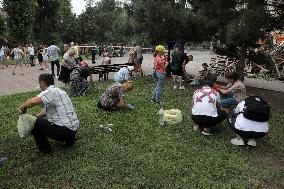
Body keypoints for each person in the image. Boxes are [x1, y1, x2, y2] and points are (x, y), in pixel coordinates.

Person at [18, 73, 79, 154]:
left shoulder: (50, 91)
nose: (39, 86)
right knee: (37, 121)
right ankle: (69, 140)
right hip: (72, 129)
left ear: (42, 83)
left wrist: (22, 107)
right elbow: (45, 111)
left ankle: (45, 149)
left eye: (39, 83)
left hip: (64, 131)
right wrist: (37, 118)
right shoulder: (59, 91)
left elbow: (32, 101)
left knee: (33, 123)